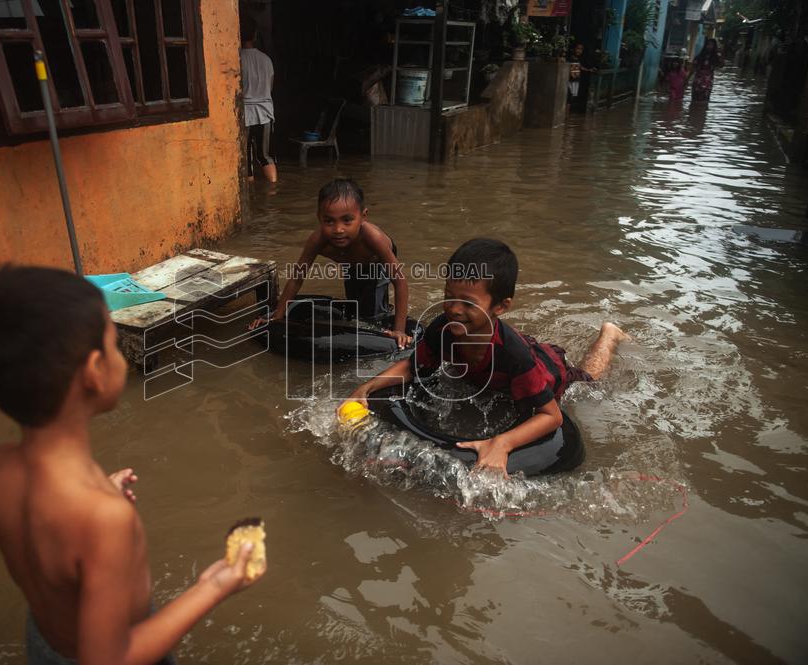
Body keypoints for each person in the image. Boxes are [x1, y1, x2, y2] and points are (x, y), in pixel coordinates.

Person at [0, 266, 264, 665]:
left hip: (44, 644)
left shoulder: (2, 468)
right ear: (95, 372)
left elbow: (51, 556)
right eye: (115, 343)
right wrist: (214, 586)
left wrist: (98, 499)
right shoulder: (103, 519)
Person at [346, 238, 629, 475]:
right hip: (501, 368)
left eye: (468, 303)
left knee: (588, 380)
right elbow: (412, 367)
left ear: (501, 306)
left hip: (549, 372)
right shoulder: (443, 327)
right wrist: (368, 387)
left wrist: (502, 443)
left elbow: (551, 417)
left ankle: (609, 335)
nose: (454, 309)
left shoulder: (514, 356)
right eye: (448, 296)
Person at [249, 178, 411, 348]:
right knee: (355, 305)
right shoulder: (317, 240)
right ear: (319, 218)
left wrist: (399, 330)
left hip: (377, 262)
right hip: (352, 264)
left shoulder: (372, 238)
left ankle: (386, 313)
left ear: (363, 217)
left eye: (347, 220)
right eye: (329, 221)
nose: (338, 230)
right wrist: (278, 316)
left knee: (372, 315)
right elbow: (296, 279)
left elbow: (400, 282)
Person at [240, 19, 277, 182]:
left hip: (245, 114)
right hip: (264, 112)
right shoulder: (266, 59)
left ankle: (251, 200)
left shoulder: (237, 58)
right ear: (255, 35)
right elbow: (270, 87)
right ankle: (274, 190)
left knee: (246, 159)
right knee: (265, 156)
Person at [690, 38, 723, 103]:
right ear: (705, 45)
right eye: (708, 44)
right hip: (697, 81)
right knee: (694, 100)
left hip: (708, 82)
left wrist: (721, 54)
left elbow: (721, 65)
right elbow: (693, 68)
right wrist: (687, 79)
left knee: (704, 101)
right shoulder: (700, 56)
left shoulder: (715, 57)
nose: (709, 46)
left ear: (714, 47)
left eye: (712, 45)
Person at [566, 43, 596, 112]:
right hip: (570, 80)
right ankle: (566, 114)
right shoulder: (570, 59)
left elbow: (580, 68)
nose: (579, 51)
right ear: (574, 49)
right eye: (578, 48)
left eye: (581, 49)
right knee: (568, 97)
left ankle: (567, 115)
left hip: (576, 80)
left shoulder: (578, 59)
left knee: (572, 97)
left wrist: (589, 70)